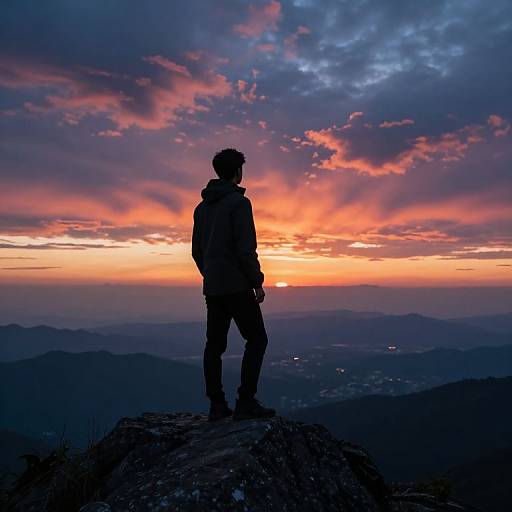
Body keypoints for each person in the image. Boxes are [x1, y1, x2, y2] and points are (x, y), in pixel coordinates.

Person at [192, 148, 276, 421]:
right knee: (257, 339)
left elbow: (197, 251)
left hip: (213, 288)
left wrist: (210, 274)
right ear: (238, 172)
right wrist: (257, 282)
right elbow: (245, 249)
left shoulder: (201, 208)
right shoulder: (240, 204)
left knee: (214, 346)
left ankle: (217, 405)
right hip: (238, 286)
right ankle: (246, 401)